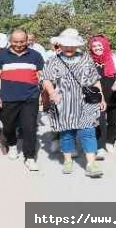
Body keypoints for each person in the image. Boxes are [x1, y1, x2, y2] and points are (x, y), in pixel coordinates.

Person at [41, 29, 106, 178]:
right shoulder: (53, 60)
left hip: (86, 101)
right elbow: (45, 79)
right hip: (63, 102)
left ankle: (91, 164)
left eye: (72, 45)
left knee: (88, 131)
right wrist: (51, 93)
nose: (69, 48)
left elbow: (95, 79)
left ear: (77, 45)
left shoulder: (86, 58)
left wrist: (101, 97)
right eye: (66, 45)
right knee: (67, 133)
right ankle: (68, 160)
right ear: (60, 45)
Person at [0, 29, 44, 171]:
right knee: (8, 126)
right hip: (8, 98)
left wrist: (43, 95)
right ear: (10, 41)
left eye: (22, 41)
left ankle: (30, 157)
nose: (19, 44)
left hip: (30, 98)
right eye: (15, 41)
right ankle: (13, 144)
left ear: (27, 41)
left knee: (29, 128)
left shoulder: (36, 56)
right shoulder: (2, 56)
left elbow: (41, 77)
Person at [89, 34, 116, 160]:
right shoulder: (89, 60)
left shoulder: (114, 58)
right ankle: (99, 146)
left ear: (105, 45)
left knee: (114, 121)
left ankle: (110, 142)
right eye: (94, 46)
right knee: (98, 121)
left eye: (99, 45)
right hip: (97, 97)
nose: (97, 48)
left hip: (115, 95)